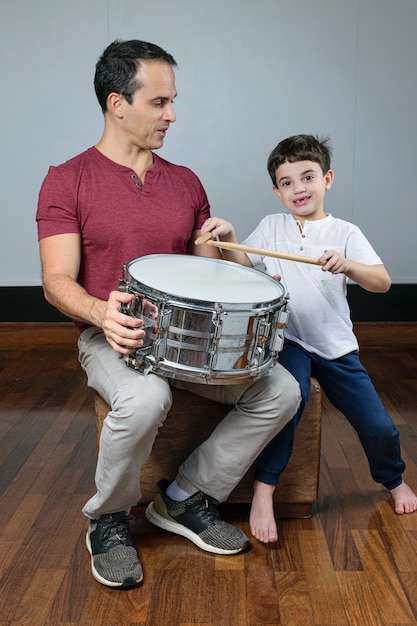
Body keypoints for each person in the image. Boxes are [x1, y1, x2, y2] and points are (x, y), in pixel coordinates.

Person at [36, 40, 301, 587]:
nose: (172, 114)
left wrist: (219, 245)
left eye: (172, 101)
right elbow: (55, 280)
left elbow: (205, 276)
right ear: (117, 103)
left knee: (281, 390)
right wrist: (99, 312)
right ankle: (108, 520)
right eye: (159, 102)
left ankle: (184, 496)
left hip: (190, 339)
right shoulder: (67, 179)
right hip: (113, 336)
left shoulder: (185, 181)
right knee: (146, 396)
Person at [200, 133, 417, 544]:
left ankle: (394, 481)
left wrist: (348, 265)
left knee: (379, 427)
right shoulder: (272, 227)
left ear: (327, 179)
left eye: (307, 177)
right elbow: (245, 267)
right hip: (291, 341)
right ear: (276, 191)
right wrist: (229, 236)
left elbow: (383, 282)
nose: (298, 188)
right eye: (287, 182)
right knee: (289, 399)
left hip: (336, 347)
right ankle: (264, 492)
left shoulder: (345, 232)